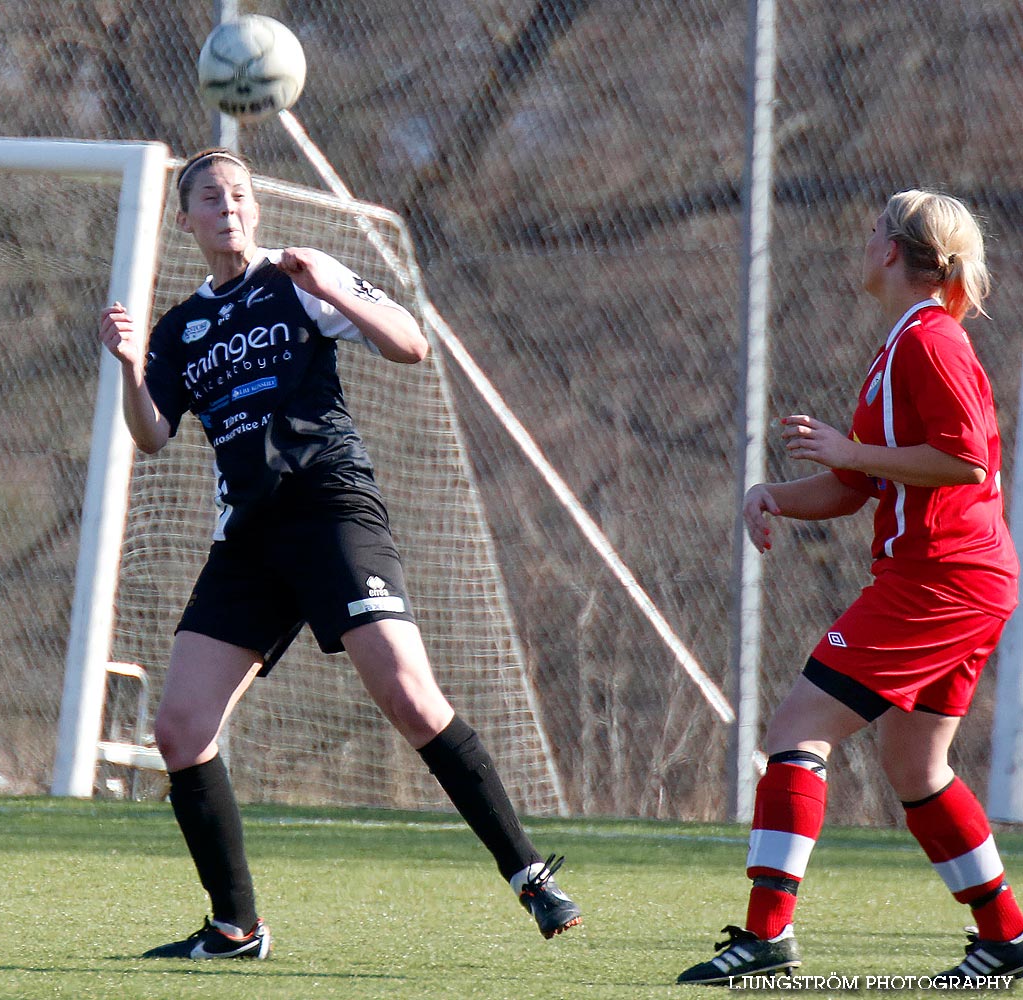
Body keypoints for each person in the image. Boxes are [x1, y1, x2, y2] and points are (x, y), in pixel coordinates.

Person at [98, 147, 581, 960]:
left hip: (328, 509)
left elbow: (410, 344)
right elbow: (151, 436)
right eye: (208, 197)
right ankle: (234, 927)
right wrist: (130, 368)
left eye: (238, 194)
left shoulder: (298, 275)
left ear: (254, 209)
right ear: (185, 221)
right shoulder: (180, 328)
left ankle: (530, 875)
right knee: (179, 730)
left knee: (409, 698)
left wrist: (332, 290)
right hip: (248, 537)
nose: (226, 205)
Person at [677, 190, 1022, 987]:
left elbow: (964, 461)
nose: (860, 240)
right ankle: (1004, 939)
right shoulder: (902, 340)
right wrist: (773, 494)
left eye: (871, 229)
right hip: (956, 578)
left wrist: (854, 453)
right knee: (914, 765)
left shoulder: (928, 341)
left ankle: (766, 938)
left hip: (939, 578)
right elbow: (854, 486)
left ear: (894, 252)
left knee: (797, 727)